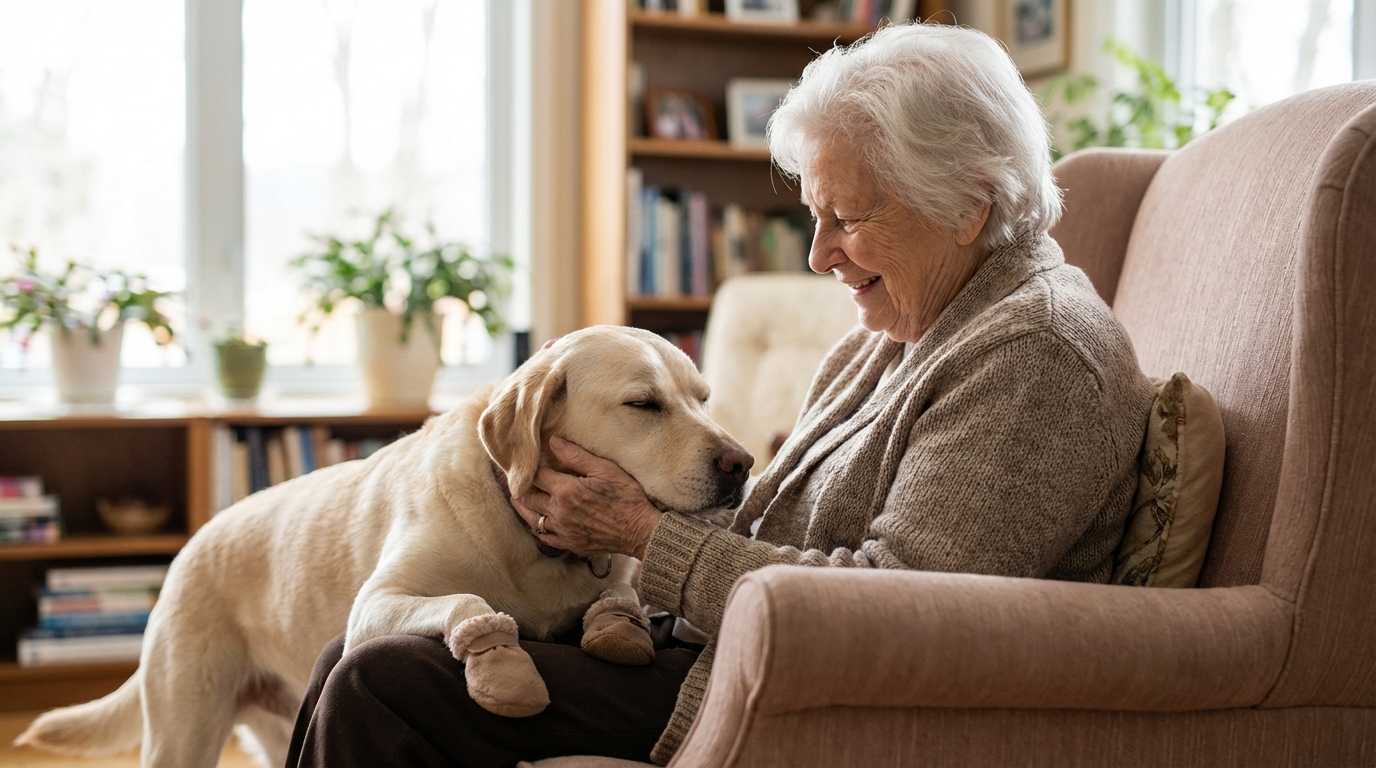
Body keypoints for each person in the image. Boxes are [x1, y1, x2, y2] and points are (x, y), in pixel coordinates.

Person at [286, 21, 1154, 767]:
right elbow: (775, 535)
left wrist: (639, 534)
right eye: (816, 217)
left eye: (846, 218)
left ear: (968, 205)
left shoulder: (1034, 357)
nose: (819, 257)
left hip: (801, 697)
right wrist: (627, 510)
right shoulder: (902, 331)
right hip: (717, 652)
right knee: (352, 655)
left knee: (383, 685)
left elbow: (902, 611)